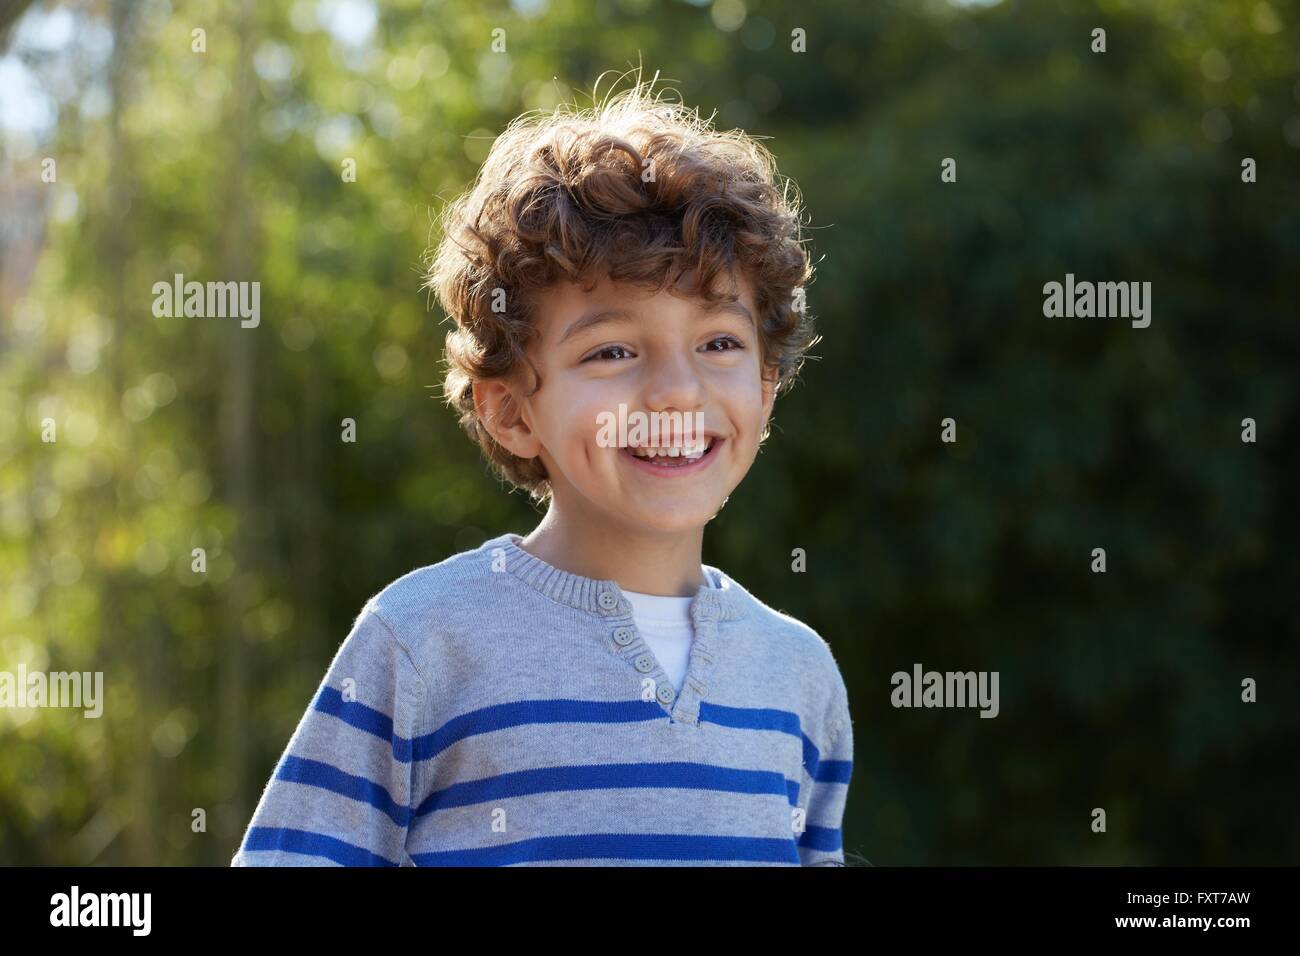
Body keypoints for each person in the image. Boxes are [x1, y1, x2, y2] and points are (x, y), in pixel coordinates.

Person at [232, 75, 853, 866]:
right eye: (612, 351)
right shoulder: (423, 641)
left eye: (719, 343)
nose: (675, 390)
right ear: (511, 412)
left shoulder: (799, 677)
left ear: (766, 388)